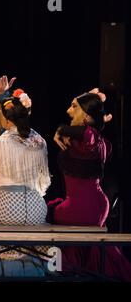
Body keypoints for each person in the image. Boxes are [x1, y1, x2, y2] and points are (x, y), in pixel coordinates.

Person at [48, 88, 131, 281]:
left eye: (74, 107)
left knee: (50, 219)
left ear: (86, 116)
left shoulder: (90, 138)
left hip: (79, 208)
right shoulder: (95, 139)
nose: (69, 111)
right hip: (96, 206)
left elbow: (86, 133)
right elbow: (87, 131)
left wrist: (61, 129)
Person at [0, 89, 51, 277]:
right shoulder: (40, 142)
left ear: (5, 120)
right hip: (37, 208)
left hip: (8, 209)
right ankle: (42, 268)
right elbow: (43, 182)